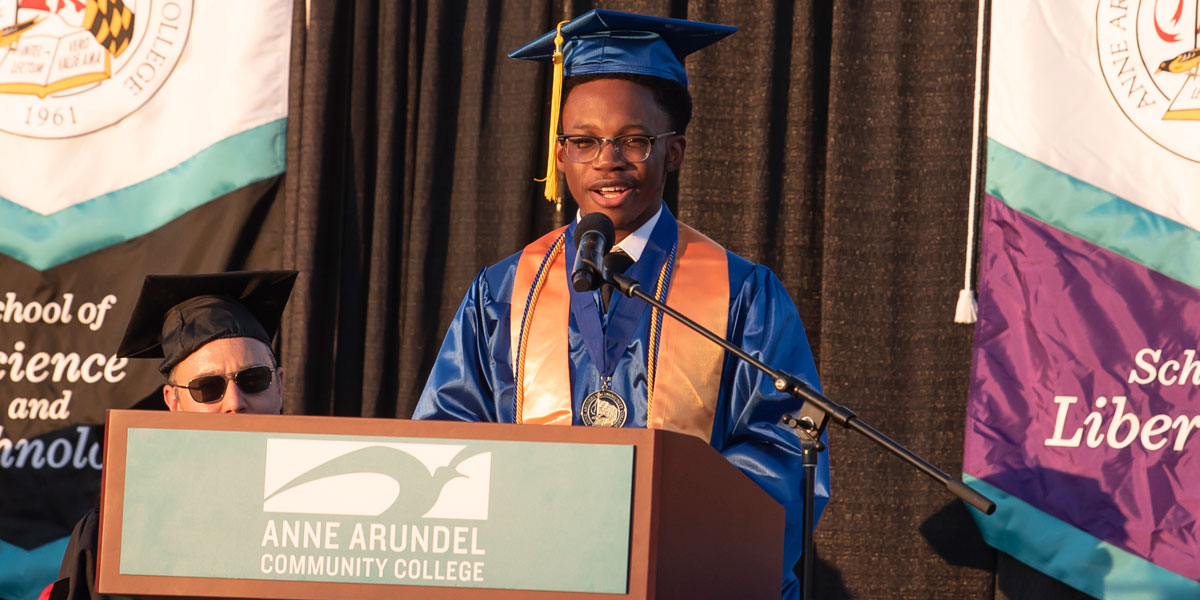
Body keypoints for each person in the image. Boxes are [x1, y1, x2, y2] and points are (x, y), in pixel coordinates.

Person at [413, 10, 829, 600]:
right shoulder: (502, 294)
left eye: (634, 140)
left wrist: (651, 538)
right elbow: (448, 442)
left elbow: (780, 454)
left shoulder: (742, 296)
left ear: (674, 152)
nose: (607, 159)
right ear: (560, 156)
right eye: (583, 141)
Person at [47, 269, 297, 600]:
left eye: (253, 379)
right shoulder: (114, 536)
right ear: (173, 402)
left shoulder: (335, 522)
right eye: (208, 387)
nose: (235, 403)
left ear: (279, 385)